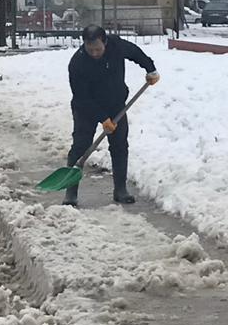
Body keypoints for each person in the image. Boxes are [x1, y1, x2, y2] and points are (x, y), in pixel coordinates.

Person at [65, 25, 159, 208]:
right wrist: (102, 117)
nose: (94, 53)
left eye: (98, 49)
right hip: (86, 109)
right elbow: (81, 97)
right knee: (81, 147)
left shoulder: (116, 45)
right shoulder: (77, 63)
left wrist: (150, 68)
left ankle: (120, 189)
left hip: (116, 105)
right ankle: (71, 191)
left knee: (119, 145)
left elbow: (135, 53)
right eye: (90, 49)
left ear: (105, 42)